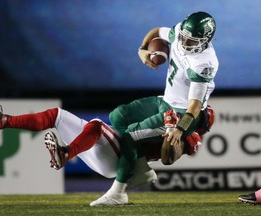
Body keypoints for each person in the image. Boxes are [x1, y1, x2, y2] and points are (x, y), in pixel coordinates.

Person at [0, 92, 205, 206]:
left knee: (97, 126)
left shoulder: (182, 133)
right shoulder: (168, 114)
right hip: (109, 151)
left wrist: (172, 130)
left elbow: (171, 153)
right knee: (56, 115)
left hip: (117, 161)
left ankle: (66, 154)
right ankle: (3, 121)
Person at [90, 11, 218, 206]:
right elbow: (157, 31)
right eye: (183, 37)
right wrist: (142, 49)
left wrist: (180, 128)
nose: (184, 42)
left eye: (191, 41)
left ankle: (118, 192)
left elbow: (194, 105)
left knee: (130, 135)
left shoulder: (204, 62)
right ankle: (142, 169)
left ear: (204, 41)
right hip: (166, 100)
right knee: (118, 116)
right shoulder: (179, 32)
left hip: (183, 113)